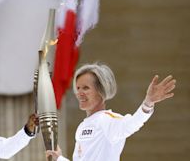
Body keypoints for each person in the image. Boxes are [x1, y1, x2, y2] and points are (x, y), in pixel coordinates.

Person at [46, 63, 176, 161]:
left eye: (85, 88)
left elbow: (131, 124)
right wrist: (59, 158)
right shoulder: (82, 127)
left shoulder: (107, 120)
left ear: (101, 91)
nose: (79, 93)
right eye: (78, 88)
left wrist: (148, 103)